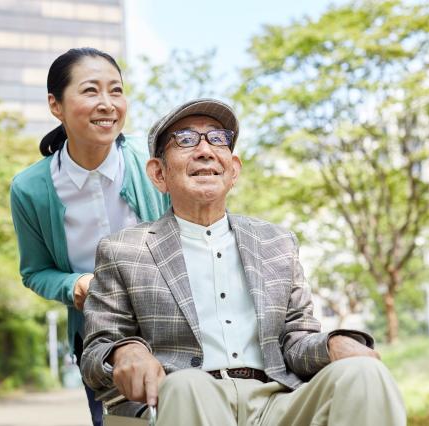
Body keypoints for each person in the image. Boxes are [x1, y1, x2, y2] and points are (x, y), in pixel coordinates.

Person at [81, 98, 406, 425]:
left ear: (233, 169)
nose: (205, 149)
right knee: (188, 384)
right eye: (186, 139)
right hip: (185, 398)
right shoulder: (123, 249)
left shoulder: (277, 243)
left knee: (364, 373)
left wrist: (333, 344)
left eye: (218, 139)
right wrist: (124, 352)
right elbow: (96, 353)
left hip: (276, 400)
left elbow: (295, 341)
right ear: (158, 173)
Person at [9, 48, 169, 426]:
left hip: (173, 329)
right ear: (56, 105)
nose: (107, 104)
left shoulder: (154, 165)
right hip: (100, 342)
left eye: (116, 91)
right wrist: (76, 284)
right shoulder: (31, 189)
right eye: (91, 91)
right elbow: (35, 271)